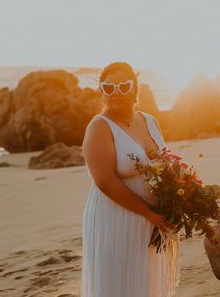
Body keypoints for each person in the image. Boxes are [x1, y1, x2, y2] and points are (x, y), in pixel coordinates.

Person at [81, 61, 180, 297]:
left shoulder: (149, 121)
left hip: (149, 220)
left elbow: (164, 161)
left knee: (142, 282)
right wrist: (146, 211)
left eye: (123, 86)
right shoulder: (99, 128)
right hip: (114, 217)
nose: (116, 93)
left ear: (135, 89)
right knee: (117, 284)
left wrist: (178, 192)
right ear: (102, 92)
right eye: (109, 87)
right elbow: (104, 181)